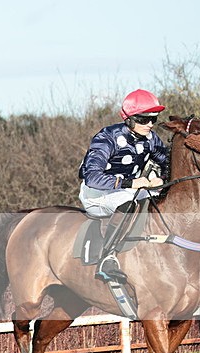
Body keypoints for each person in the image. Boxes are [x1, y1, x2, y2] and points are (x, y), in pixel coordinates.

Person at [78, 89, 168, 283]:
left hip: (129, 190)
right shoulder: (107, 137)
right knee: (129, 202)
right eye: (144, 119)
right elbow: (91, 177)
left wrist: (163, 178)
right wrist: (131, 183)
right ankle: (107, 258)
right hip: (97, 194)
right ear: (128, 118)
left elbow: (168, 161)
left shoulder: (151, 139)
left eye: (154, 119)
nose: (150, 125)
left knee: (162, 199)